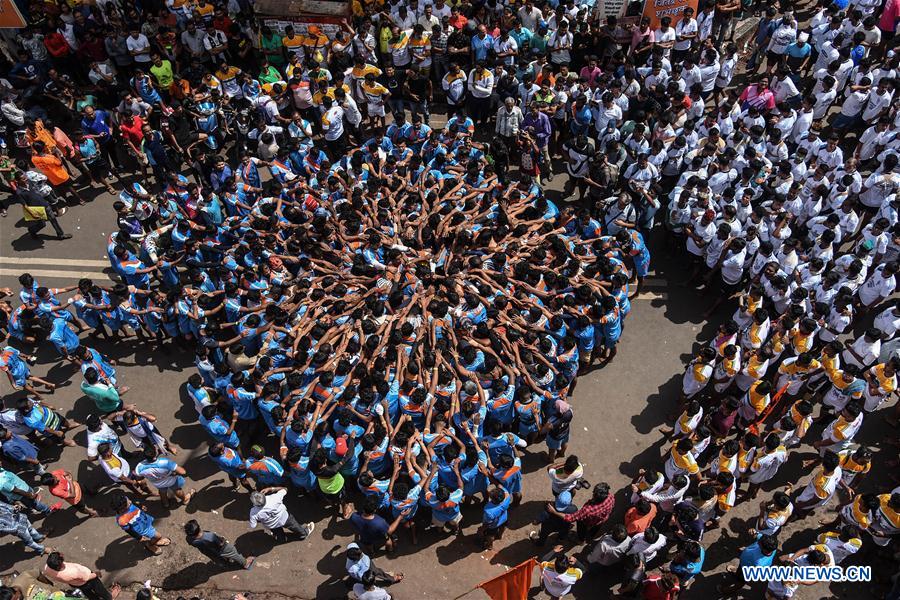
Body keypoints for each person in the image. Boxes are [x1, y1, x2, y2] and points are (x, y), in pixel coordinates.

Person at [248, 487, 315, 543]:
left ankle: (282, 538)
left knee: (279, 534)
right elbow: (285, 489)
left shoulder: (253, 512)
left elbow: (253, 525)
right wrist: (271, 488)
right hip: (285, 518)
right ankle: (304, 534)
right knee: (295, 526)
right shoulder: (274, 498)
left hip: (272, 525)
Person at [42, 552, 121, 600]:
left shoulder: (47, 568)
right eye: (60, 556)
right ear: (60, 562)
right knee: (99, 589)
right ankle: (109, 597)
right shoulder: (72, 572)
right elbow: (87, 577)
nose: (62, 554)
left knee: (88, 593)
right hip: (87, 581)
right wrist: (96, 574)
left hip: (75, 583)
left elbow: (44, 572)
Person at [184, 519, 254, 569]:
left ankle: (224, 565)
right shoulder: (210, 536)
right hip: (222, 549)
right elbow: (221, 544)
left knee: (217, 558)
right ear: (198, 527)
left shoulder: (189, 539)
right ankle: (245, 563)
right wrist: (223, 540)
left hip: (209, 552)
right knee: (233, 552)